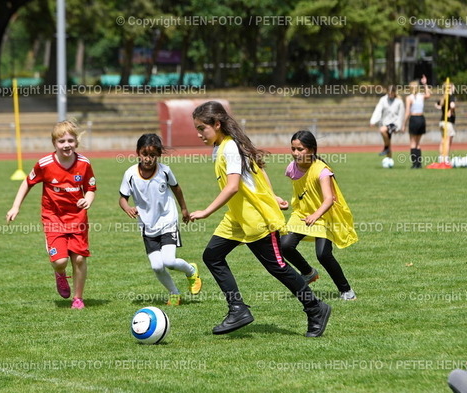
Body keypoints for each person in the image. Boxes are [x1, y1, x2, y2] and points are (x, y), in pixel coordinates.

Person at [189, 101, 331, 337]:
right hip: (237, 217)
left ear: (217, 124)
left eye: (202, 128)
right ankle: (237, 309)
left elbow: (233, 186)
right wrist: (273, 195)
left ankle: (315, 308)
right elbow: (256, 169)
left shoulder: (231, 147)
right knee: (212, 256)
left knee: (278, 268)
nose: (199, 134)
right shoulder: (221, 147)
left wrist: (206, 211)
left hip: (255, 218)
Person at [6, 120, 97, 309]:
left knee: (79, 258)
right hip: (53, 218)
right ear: (54, 143)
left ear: (76, 142)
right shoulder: (45, 164)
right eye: (62, 141)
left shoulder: (84, 164)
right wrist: (16, 206)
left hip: (77, 218)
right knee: (60, 261)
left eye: (70, 141)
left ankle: (78, 299)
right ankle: (60, 274)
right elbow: (27, 183)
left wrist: (88, 199)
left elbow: (90, 188)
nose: (66, 145)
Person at [119, 133, 202, 306]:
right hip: (147, 226)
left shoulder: (165, 171)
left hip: (167, 221)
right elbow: (122, 198)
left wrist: (184, 209)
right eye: (144, 154)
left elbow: (177, 189)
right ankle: (174, 293)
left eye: (153, 155)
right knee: (157, 266)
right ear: (137, 153)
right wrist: (127, 207)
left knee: (169, 261)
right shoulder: (130, 174)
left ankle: (191, 270)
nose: (148, 159)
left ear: (158, 156)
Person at [281, 130, 358, 301]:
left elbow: (329, 199)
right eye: (293, 149)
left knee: (323, 255)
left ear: (312, 150)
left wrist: (316, 215)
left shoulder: (322, 171)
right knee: (285, 245)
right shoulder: (291, 169)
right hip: (302, 214)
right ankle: (308, 273)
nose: (295, 153)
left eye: (300, 149)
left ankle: (346, 291)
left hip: (325, 215)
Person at [403, 75, 431, 168]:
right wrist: (425, 84)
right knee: (418, 143)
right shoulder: (421, 96)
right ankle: (419, 163)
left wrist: (404, 124)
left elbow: (407, 112)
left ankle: (414, 163)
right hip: (421, 119)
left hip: (414, 119)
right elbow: (429, 94)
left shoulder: (409, 98)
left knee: (412, 143)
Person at [369, 85, 405, 157]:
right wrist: (373, 121)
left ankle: (386, 148)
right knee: (388, 140)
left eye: (392, 93)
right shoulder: (383, 100)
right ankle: (389, 159)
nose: (390, 95)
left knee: (382, 130)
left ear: (394, 93)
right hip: (385, 123)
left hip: (394, 123)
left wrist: (400, 127)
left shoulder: (399, 102)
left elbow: (401, 114)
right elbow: (378, 110)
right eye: (389, 94)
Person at [435, 82, 456, 164]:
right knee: (447, 141)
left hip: (442, 122)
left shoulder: (443, 97)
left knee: (443, 140)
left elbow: (436, 104)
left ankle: (441, 157)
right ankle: (446, 158)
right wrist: (451, 111)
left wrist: (441, 107)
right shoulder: (451, 97)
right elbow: (452, 105)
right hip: (448, 122)